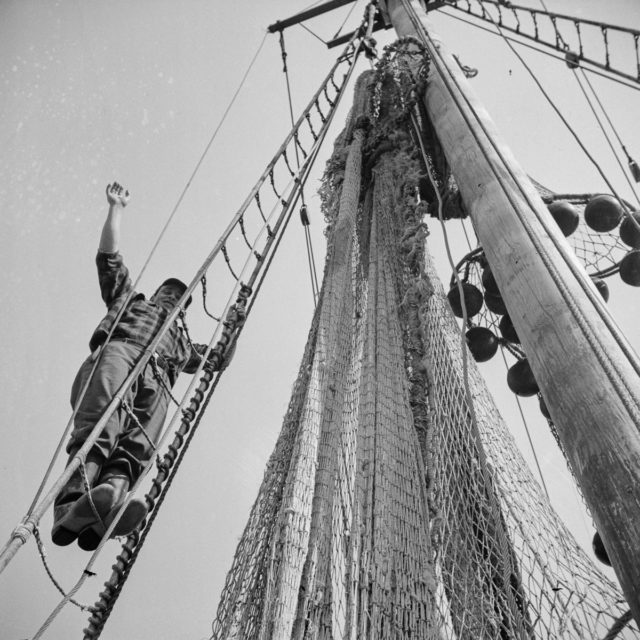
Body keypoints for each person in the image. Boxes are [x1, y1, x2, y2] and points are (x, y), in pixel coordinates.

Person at [52, 182, 218, 551]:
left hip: (158, 379)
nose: (173, 296)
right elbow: (109, 258)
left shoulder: (184, 341)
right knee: (101, 425)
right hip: (121, 353)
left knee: (138, 444)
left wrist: (233, 325)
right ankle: (69, 506)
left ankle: (108, 502)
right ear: (158, 292)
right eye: (169, 290)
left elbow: (216, 357)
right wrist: (117, 209)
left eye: (180, 296)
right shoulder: (132, 301)